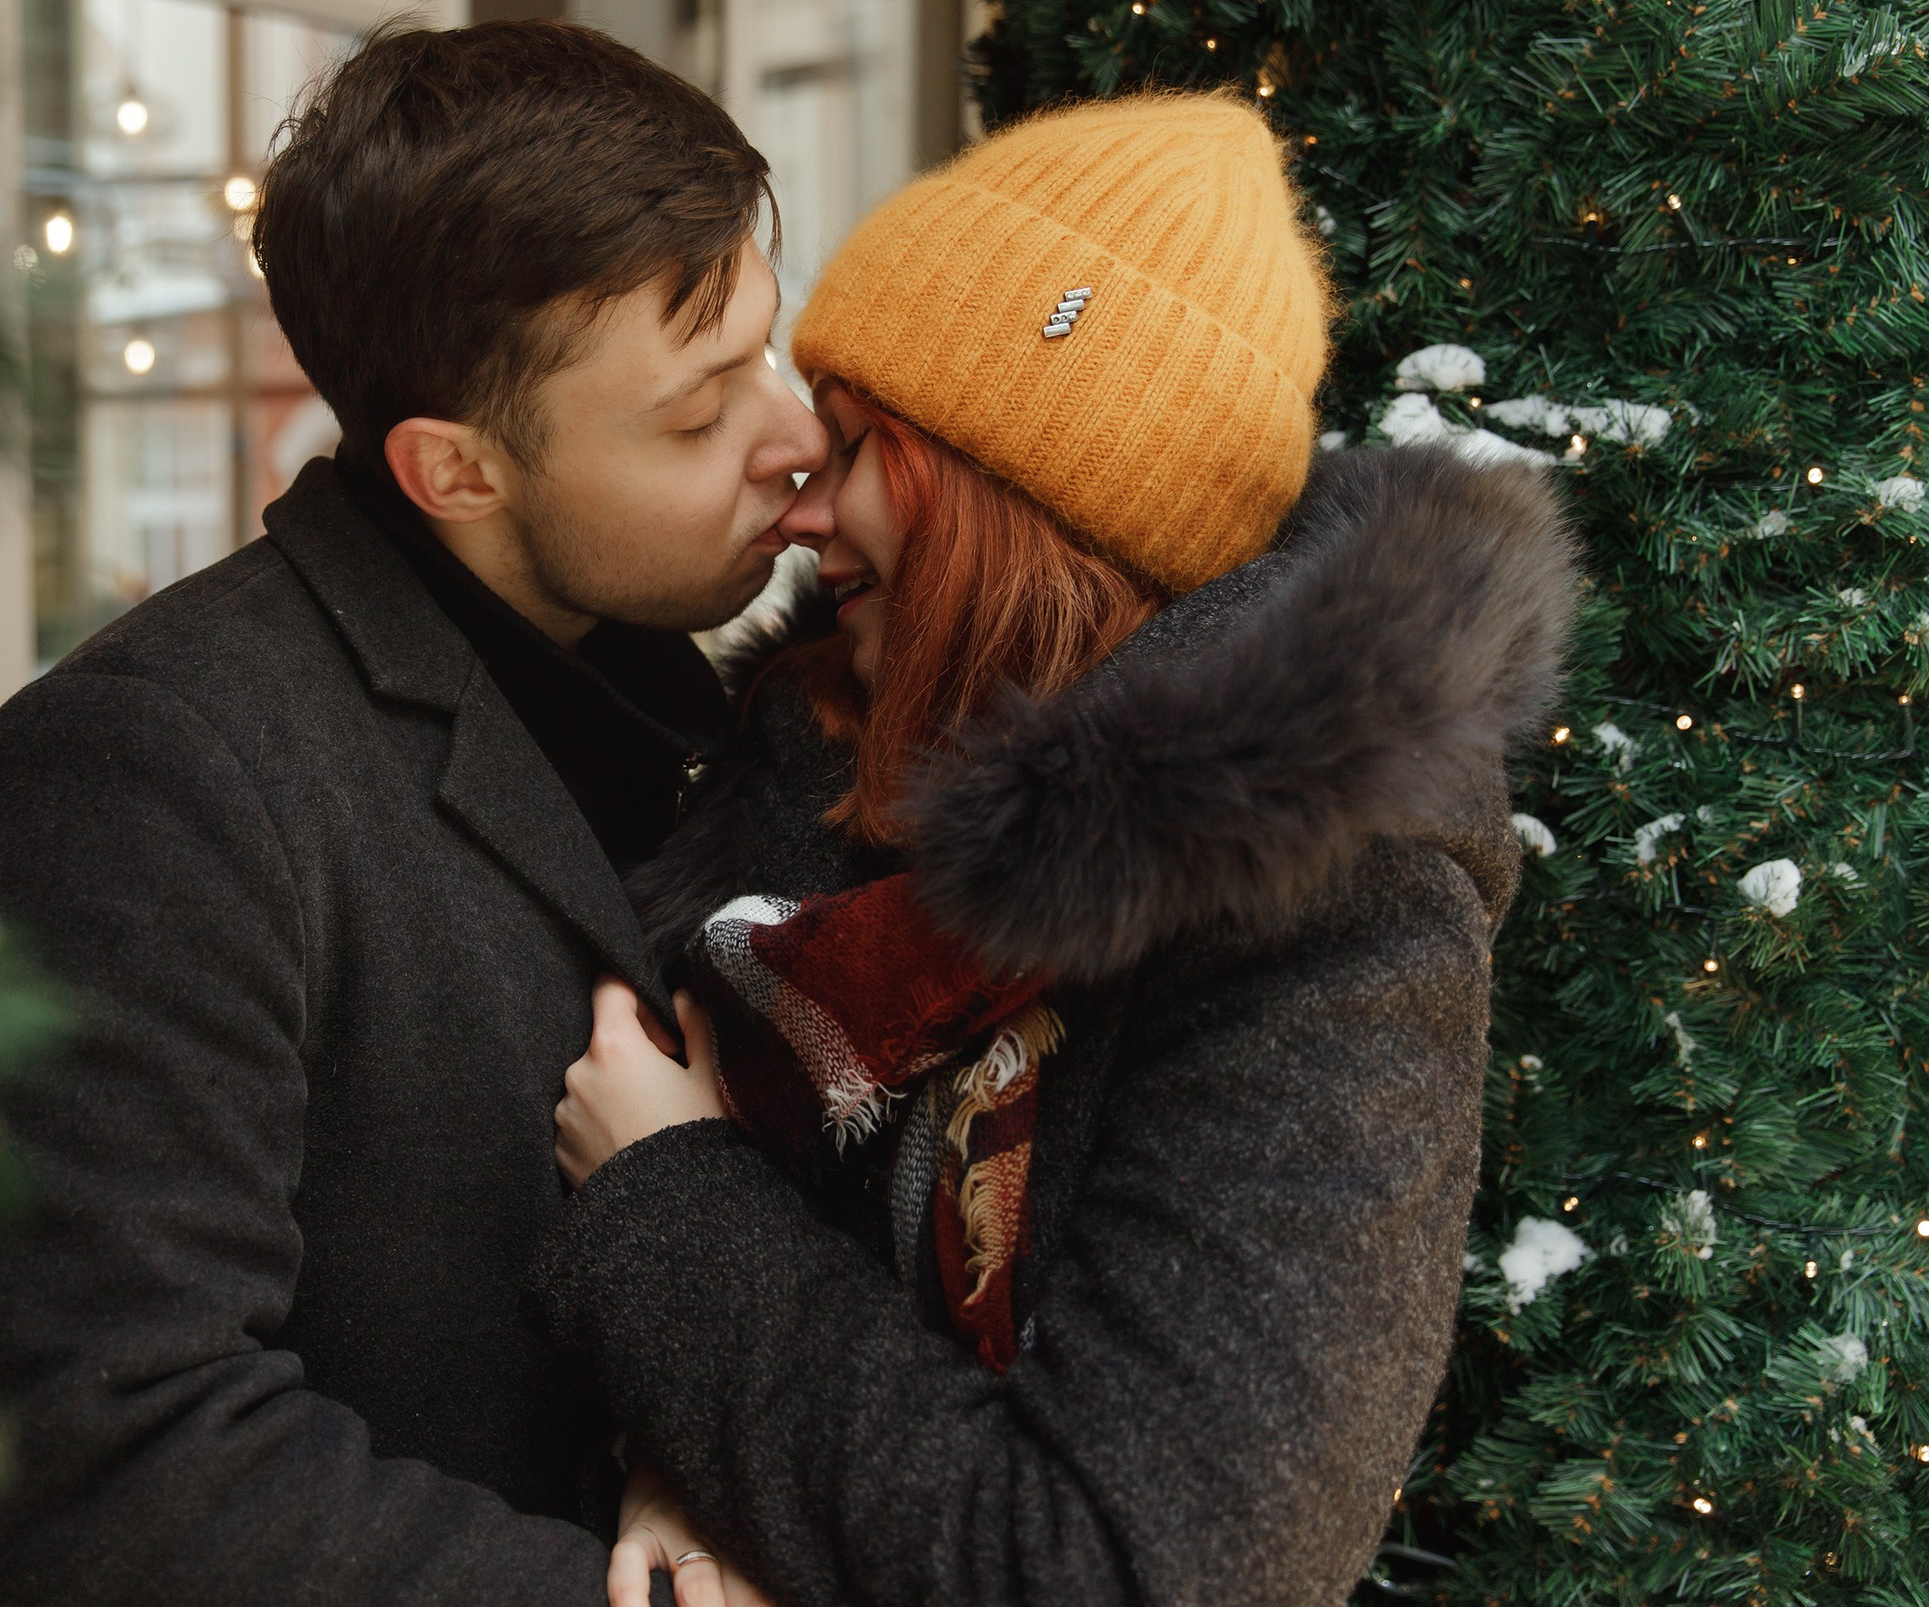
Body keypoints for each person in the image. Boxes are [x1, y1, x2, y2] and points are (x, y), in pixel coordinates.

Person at [541, 91, 1581, 1607]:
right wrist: (686, 1473)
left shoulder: (1332, 908)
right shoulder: (823, 772)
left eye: (859, 449)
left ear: (1014, 495)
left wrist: (670, 1193)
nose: (806, 510)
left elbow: (1133, 1564)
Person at [0, 21, 826, 1606]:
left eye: (764, 346)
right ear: (453, 471)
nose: (796, 435)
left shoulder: (747, 708)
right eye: (697, 414)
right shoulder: (145, 774)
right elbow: (102, 1469)